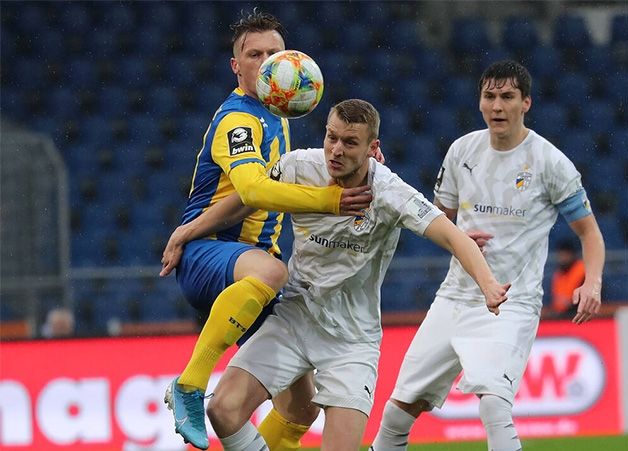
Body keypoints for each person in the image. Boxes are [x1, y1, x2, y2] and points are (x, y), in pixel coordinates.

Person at [183, 98, 510, 451]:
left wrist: (488, 284)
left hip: (351, 341)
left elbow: (452, 235)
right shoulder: (298, 167)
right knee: (222, 409)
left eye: (350, 142)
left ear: (373, 148)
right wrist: (187, 232)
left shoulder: (389, 192)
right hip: (295, 316)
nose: (336, 150)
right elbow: (247, 198)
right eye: (331, 137)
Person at [160, 9, 372, 450]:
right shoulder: (239, 119)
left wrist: (366, 164)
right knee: (274, 272)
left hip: (245, 269)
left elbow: (248, 192)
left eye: (274, 53)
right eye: (254, 54)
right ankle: (189, 385)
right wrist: (330, 200)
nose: (266, 61)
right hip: (214, 256)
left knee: (301, 404)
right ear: (236, 66)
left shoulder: (277, 118)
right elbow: (255, 190)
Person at [370, 60, 605, 451]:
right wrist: (458, 238)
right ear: (480, 101)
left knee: (495, 405)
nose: (497, 106)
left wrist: (592, 282)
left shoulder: (550, 163)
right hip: (456, 297)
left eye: (507, 97)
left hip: (512, 303)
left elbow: (590, 233)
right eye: (490, 96)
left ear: (526, 103)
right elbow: (436, 221)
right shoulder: (462, 150)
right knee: (396, 414)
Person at [550, 239, 586, 317]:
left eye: (565, 254)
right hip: (562, 315)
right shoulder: (558, 273)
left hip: (578, 313)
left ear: (572, 254)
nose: (563, 258)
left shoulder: (582, 270)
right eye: (561, 254)